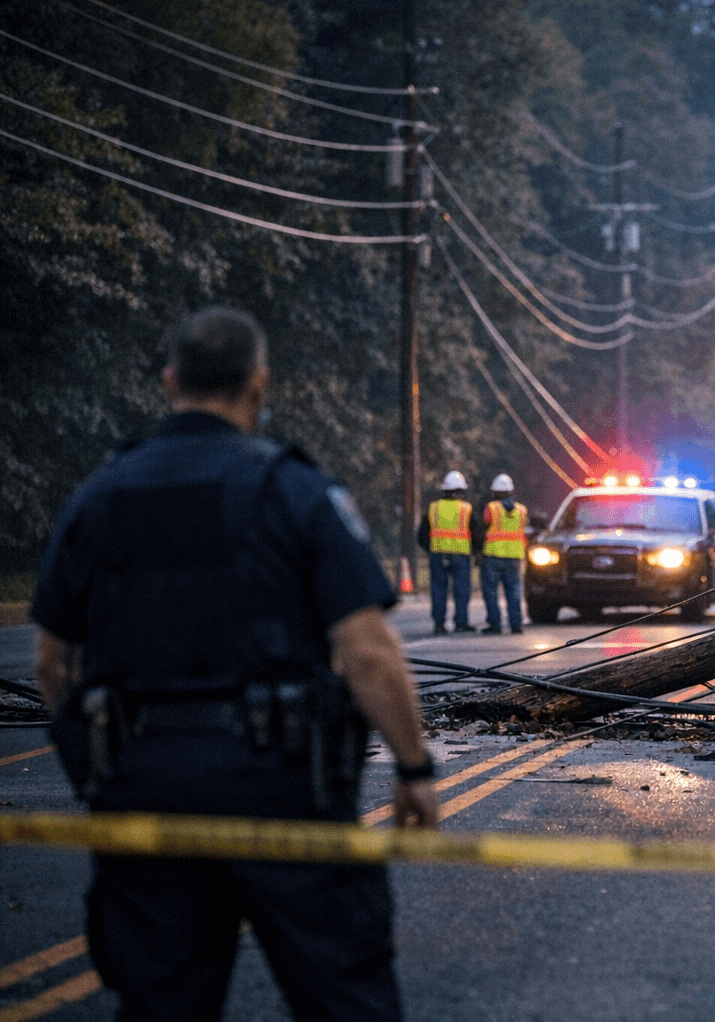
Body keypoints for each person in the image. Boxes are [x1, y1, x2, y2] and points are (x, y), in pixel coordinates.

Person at [31, 306, 439, 1022]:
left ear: (168, 383)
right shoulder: (293, 491)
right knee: (345, 999)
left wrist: (104, 777)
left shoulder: (99, 497)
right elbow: (369, 653)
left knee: (162, 1004)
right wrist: (412, 769)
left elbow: (51, 666)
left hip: (143, 791)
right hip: (283, 788)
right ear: (258, 385)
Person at [415, 471, 477, 635]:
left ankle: (439, 624)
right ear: (459, 491)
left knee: (438, 591)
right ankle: (461, 623)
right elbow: (477, 533)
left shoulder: (433, 508)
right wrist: (476, 552)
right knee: (462, 591)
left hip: (438, 556)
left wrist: (431, 549)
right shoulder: (466, 508)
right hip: (461, 556)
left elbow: (421, 535)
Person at [479, 473, 528, 634]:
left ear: (495, 492)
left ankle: (495, 624)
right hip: (514, 558)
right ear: (511, 492)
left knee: (491, 592)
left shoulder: (491, 508)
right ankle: (516, 624)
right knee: (514, 592)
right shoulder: (521, 510)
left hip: (493, 556)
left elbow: (483, 529)